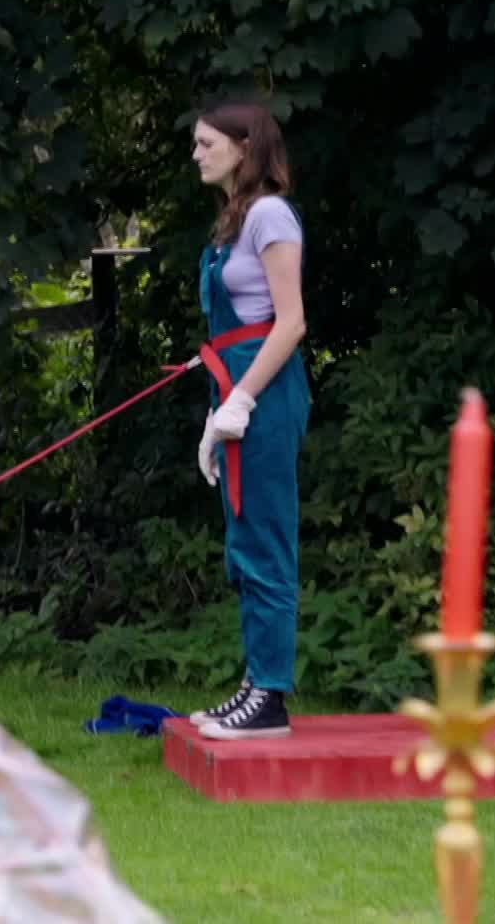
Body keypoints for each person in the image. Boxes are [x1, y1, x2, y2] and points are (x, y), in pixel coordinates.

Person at [182, 99, 311, 741]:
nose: (197, 154)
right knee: (244, 541)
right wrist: (218, 406)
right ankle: (258, 682)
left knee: (265, 539)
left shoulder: (270, 215)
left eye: (207, 143)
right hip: (235, 387)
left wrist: (242, 400)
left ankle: (270, 699)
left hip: (266, 392)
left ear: (244, 146)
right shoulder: (234, 219)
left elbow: (290, 322)